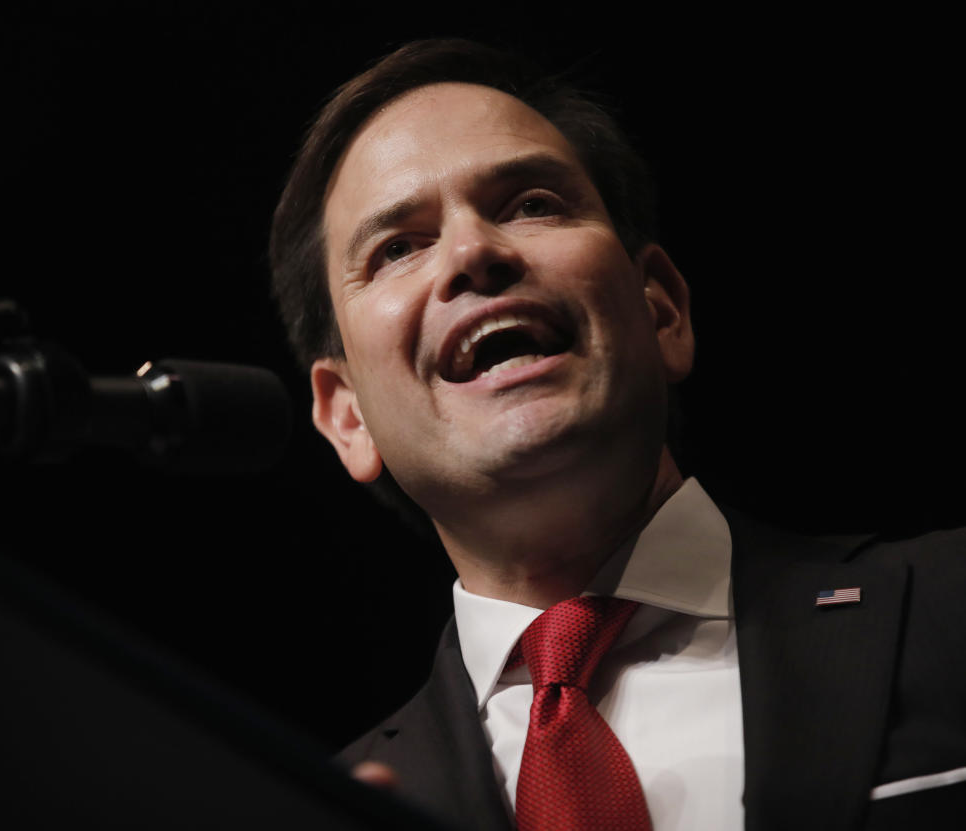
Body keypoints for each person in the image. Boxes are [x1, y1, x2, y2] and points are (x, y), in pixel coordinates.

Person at [268, 38, 965, 830]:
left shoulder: (948, 605)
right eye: (398, 247)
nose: (473, 253)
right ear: (349, 415)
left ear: (663, 310)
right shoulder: (320, 807)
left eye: (531, 203)